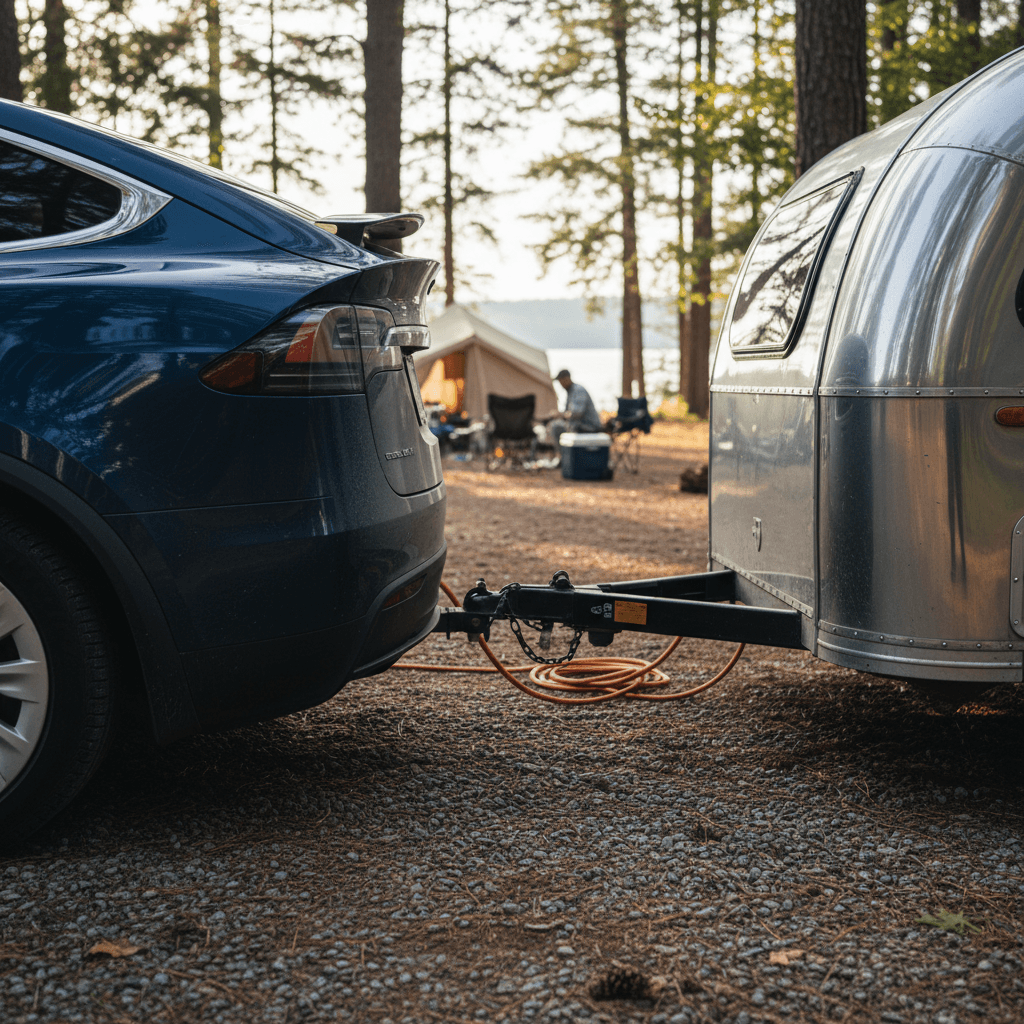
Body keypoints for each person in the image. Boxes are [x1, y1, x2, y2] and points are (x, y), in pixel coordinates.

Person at [549, 369, 603, 452]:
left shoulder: (578, 390)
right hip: (578, 426)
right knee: (554, 424)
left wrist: (559, 414)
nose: (560, 384)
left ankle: (562, 457)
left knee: (556, 427)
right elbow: (567, 413)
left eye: (561, 381)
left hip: (589, 426)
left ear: (566, 379)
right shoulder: (570, 392)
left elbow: (577, 413)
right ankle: (567, 458)